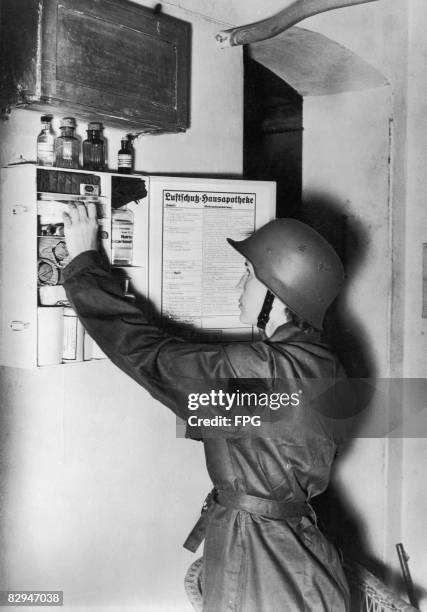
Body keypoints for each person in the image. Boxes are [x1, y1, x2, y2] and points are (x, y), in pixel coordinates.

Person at [63, 202, 351, 611]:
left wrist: (84, 263)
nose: (238, 287)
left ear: (277, 292)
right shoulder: (326, 364)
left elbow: (150, 357)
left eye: (248, 275)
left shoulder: (263, 369)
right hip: (305, 558)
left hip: (260, 557)